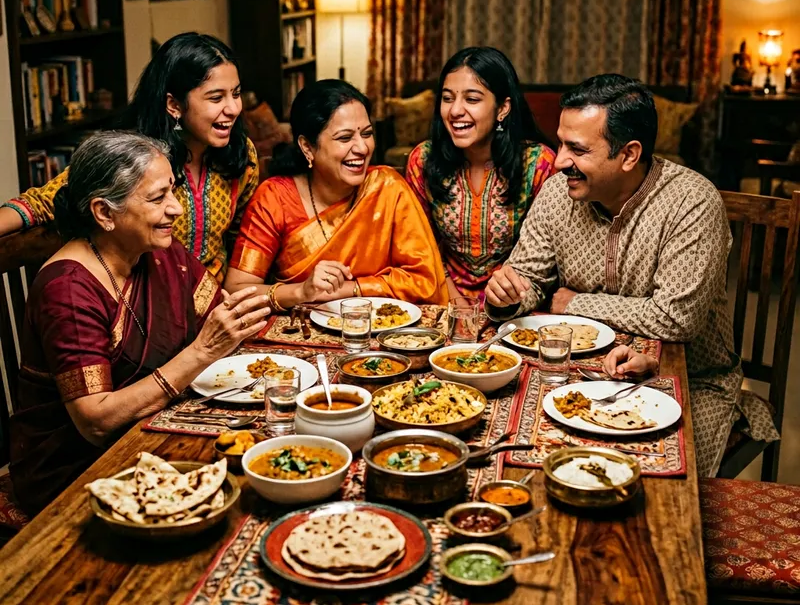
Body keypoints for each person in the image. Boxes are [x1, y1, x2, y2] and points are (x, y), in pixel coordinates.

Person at [484, 73, 778, 477]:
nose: (559, 160)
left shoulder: (691, 203)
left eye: (577, 149)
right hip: (579, 372)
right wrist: (508, 295)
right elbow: (529, 279)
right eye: (560, 142)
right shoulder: (558, 192)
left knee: (646, 485)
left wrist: (576, 303)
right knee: (518, 456)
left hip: (691, 380)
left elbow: (677, 319)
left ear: (629, 154)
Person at [9, 132, 271, 514]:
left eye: (172, 191)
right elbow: (95, 422)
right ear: (104, 213)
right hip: (78, 468)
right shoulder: (67, 289)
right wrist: (201, 352)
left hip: (154, 425)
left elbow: (220, 314)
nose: (176, 209)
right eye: (157, 198)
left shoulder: (159, 253)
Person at [0, 33, 259, 281]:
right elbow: (44, 201)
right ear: (174, 105)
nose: (234, 108)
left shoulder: (240, 153)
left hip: (215, 301)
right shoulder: (134, 155)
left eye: (235, 94)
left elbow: (241, 243)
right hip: (148, 307)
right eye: (216, 98)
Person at [224, 79, 448, 306]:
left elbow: (425, 282)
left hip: (383, 329)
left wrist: (350, 289)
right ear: (307, 147)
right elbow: (237, 290)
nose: (362, 148)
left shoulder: (388, 189)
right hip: (300, 333)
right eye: (344, 138)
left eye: (367, 133)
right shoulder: (275, 199)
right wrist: (301, 292)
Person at [405, 47, 555, 299]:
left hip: (515, 300)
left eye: (472, 99)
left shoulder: (538, 164)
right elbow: (420, 247)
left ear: (502, 109)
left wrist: (499, 305)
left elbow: (542, 257)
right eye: (447, 98)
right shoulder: (423, 160)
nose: (455, 111)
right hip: (441, 296)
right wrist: (458, 307)